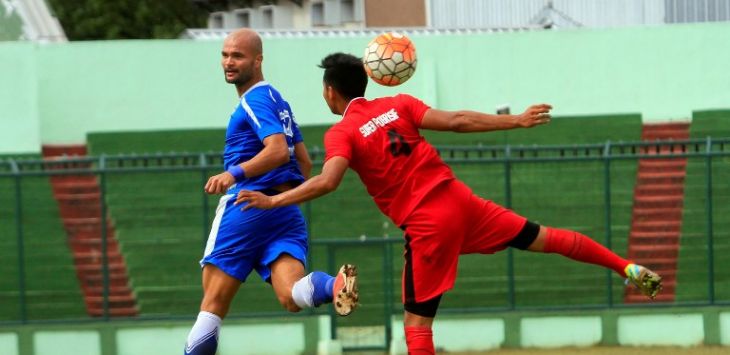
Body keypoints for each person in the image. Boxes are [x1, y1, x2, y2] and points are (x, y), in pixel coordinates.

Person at [234, 52, 662, 355]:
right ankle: (624, 266)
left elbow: (328, 180)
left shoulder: (341, 133)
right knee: (546, 236)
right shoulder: (400, 104)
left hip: (428, 224)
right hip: (461, 201)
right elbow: (457, 121)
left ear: (331, 93)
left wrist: (276, 202)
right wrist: (517, 119)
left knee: (417, 328)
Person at [183, 34, 359, 355]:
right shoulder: (279, 102)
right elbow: (303, 161)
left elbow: (277, 151)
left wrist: (232, 173)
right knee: (291, 296)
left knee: (212, 304)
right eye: (224, 55)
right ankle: (333, 285)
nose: (228, 62)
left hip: (247, 205)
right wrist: (283, 200)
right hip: (284, 211)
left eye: (237, 56)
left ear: (258, 60)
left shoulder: (254, 99)